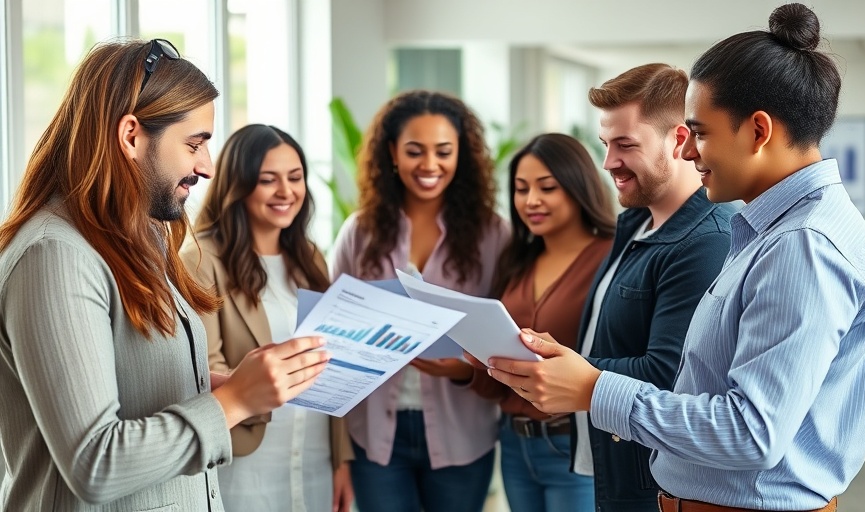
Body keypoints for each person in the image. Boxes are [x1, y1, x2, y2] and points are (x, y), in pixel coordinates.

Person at [489, 4, 865, 512]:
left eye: (700, 133)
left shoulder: (804, 247)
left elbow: (751, 433)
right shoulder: (772, 233)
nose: (686, 152)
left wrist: (595, 389)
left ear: (758, 130)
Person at [0, 40, 329, 511]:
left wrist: (210, 383)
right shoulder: (54, 257)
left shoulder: (142, 240)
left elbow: (128, 381)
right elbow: (95, 462)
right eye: (194, 144)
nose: (207, 167)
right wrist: (233, 400)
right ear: (132, 136)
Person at [480, 63, 736, 512]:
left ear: (679, 140)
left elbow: (672, 377)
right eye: (605, 144)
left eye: (625, 145)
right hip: (609, 462)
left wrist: (564, 367)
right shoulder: (634, 224)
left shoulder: (707, 240)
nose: (607, 162)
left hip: (651, 480)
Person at [329, 89, 509, 512]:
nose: (429, 165)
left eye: (444, 151)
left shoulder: (493, 235)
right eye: (415, 151)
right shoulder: (360, 232)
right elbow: (331, 333)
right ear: (392, 153)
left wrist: (464, 367)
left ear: (461, 155)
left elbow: (511, 332)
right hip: (374, 435)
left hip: (462, 433)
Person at [180, 124, 353, 512]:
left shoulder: (310, 259)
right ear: (238, 185)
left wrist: (342, 461)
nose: (286, 192)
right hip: (245, 457)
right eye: (267, 180)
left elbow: (331, 360)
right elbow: (202, 369)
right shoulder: (202, 260)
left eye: (295, 178)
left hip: (314, 455)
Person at [466, 133, 616, 511]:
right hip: (515, 444)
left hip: (575, 443)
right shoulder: (518, 261)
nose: (530, 201)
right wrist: (469, 364)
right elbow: (501, 378)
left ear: (577, 187)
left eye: (547, 187)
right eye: (520, 189)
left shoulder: (612, 257)